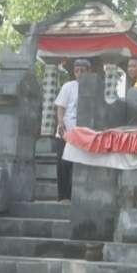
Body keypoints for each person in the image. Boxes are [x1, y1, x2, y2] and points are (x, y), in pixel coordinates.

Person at [53, 58, 90, 203]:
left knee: (79, 165)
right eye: (77, 71)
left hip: (84, 134)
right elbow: (60, 107)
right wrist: (61, 122)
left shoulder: (94, 87)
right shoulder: (68, 86)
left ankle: (79, 196)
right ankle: (64, 197)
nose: (79, 73)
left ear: (89, 71)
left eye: (83, 70)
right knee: (64, 165)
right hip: (66, 131)